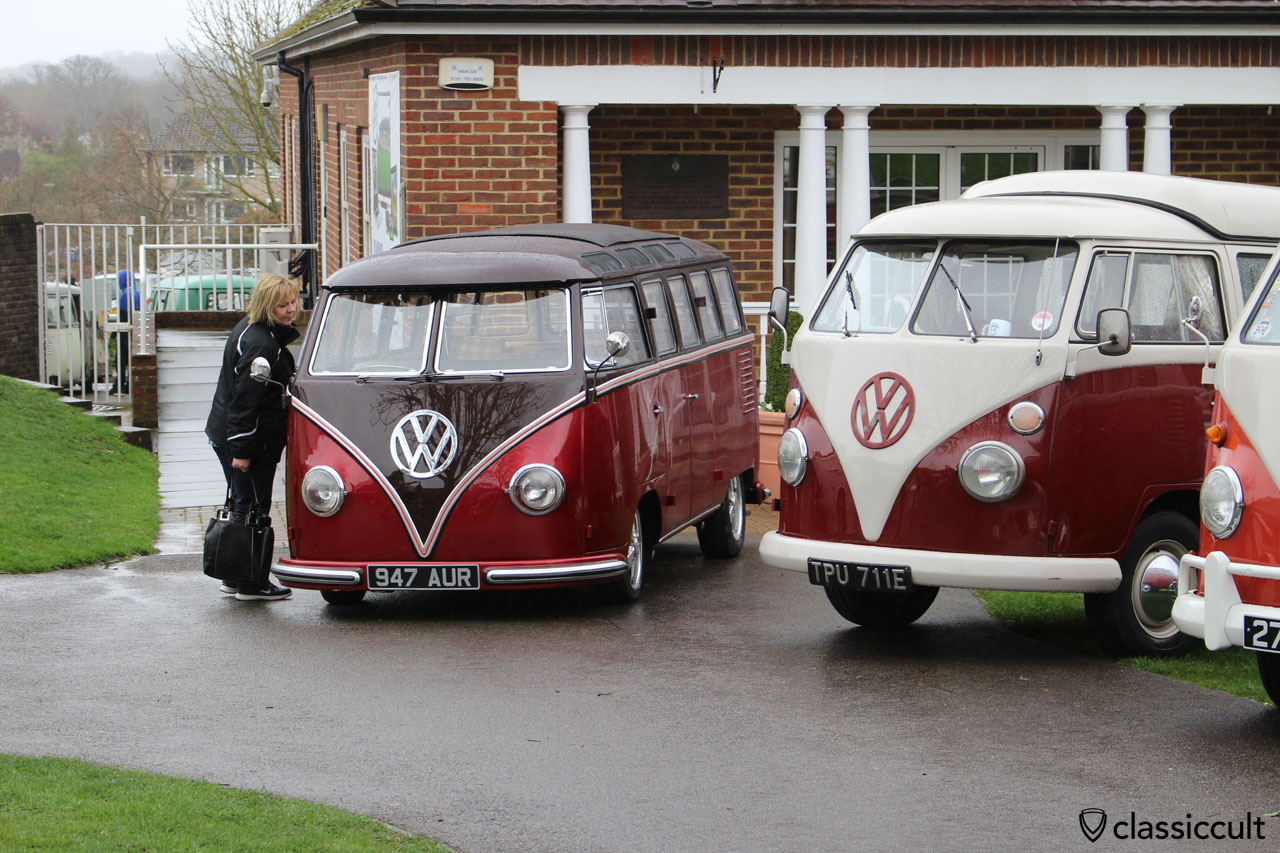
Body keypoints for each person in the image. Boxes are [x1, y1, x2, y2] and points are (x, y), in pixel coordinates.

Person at [205, 274, 300, 601]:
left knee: (241, 506)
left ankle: (234, 576)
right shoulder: (262, 344)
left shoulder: (250, 328)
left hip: (232, 435)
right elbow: (245, 401)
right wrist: (242, 450)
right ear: (266, 305)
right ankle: (252, 583)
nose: (291, 310)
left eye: (293, 302)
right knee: (254, 509)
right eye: (283, 304)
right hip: (249, 441)